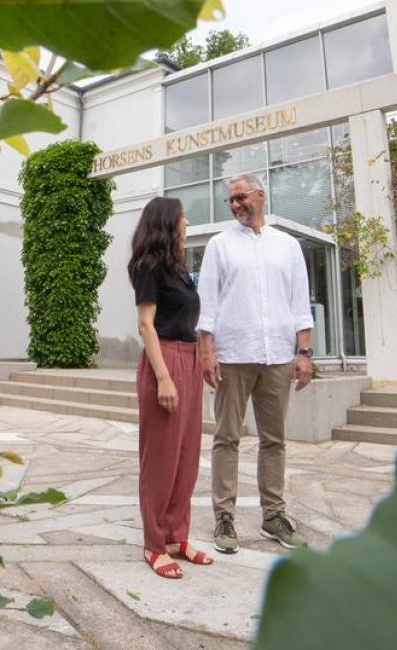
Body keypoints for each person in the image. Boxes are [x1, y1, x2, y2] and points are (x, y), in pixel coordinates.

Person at [197, 174, 313, 553]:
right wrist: (208, 351)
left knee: (274, 440)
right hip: (232, 357)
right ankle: (224, 519)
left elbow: (300, 301)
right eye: (230, 201)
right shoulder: (219, 245)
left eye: (240, 197)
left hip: (278, 356)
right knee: (227, 438)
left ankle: (273, 517)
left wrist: (304, 352)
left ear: (260, 196)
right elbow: (208, 304)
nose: (235, 205)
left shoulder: (288, 246)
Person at [130, 197, 212, 579]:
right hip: (164, 359)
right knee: (160, 459)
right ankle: (154, 544)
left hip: (189, 358)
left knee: (186, 455)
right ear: (168, 222)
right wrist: (163, 377)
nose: (187, 222)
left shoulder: (177, 269)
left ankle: (178, 536)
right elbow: (146, 325)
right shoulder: (149, 266)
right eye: (182, 217)